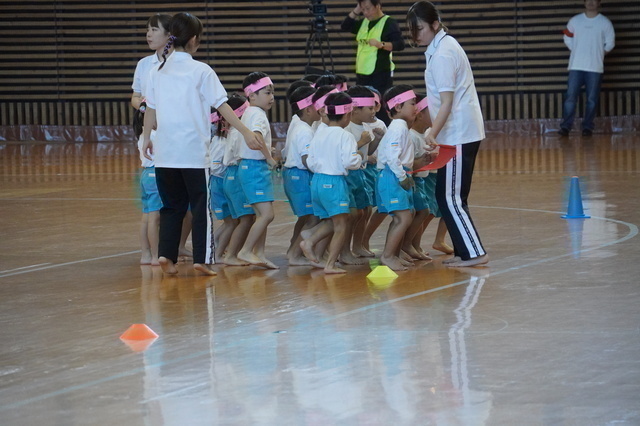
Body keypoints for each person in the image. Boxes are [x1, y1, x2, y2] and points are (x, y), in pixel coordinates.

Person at [142, 12, 263, 276]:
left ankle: (165, 255)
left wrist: (146, 138)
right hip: (193, 153)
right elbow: (222, 105)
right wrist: (245, 131)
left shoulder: (155, 71)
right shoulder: (201, 70)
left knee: (170, 207)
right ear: (194, 39)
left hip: (165, 153)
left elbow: (150, 108)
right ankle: (202, 258)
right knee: (200, 207)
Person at [407, 1, 488, 267]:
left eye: (420, 29)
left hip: (458, 134)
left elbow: (446, 102)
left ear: (435, 24)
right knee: (450, 196)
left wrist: (432, 133)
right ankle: (465, 252)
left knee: (450, 197)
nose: (416, 35)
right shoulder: (440, 47)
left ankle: (474, 253)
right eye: (412, 30)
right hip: (457, 133)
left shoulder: (443, 53)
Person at [131, 13, 193, 265]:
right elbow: (136, 97)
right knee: (154, 209)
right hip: (155, 131)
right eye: (147, 29)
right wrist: (148, 112)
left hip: (178, 134)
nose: (148, 34)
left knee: (182, 203)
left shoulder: (182, 62)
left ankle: (176, 247)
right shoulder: (144, 65)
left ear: (170, 35)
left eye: (154, 30)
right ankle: (153, 252)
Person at [301, 92, 363, 274]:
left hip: (317, 181)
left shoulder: (319, 133)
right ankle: (329, 264)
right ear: (347, 115)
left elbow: (310, 161)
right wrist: (359, 158)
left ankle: (310, 240)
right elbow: (350, 162)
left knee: (334, 219)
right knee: (341, 225)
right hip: (334, 182)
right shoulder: (345, 136)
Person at [236, 72, 279, 269]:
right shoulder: (257, 114)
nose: (272, 97)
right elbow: (256, 136)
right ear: (252, 96)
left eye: (272, 93)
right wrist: (269, 157)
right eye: (267, 93)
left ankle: (259, 253)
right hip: (254, 168)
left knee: (262, 215)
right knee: (267, 215)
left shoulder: (250, 112)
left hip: (252, 167)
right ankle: (246, 251)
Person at [342, 0, 405, 124]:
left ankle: (383, 129)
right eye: (363, 9)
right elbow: (345, 26)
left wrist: (381, 44)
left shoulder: (389, 22)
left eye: (368, 8)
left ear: (377, 6)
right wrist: (357, 9)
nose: (365, 12)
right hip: (362, 72)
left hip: (380, 73)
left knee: (379, 106)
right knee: (360, 104)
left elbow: (400, 44)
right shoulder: (363, 22)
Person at [558, 0, 615, 137]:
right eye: (588, 0)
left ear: (598, 3)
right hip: (576, 66)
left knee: (592, 99)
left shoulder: (605, 22)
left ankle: (587, 127)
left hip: (595, 67)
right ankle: (565, 127)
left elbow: (610, 43)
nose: (590, 2)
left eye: (594, 0)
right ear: (584, 3)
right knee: (570, 97)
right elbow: (567, 37)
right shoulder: (575, 21)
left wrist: (599, 54)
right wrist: (576, 50)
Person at [376, 85, 417, 271]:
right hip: (393, 175)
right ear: (398, 107)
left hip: (398, 173)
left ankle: (395, 253)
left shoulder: (401, 127)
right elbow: (392, 157)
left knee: (405, 216)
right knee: (403, 217)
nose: (416, 107)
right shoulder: (398, 128)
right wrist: (401, 177)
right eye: (412, 103)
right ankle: (388, 255)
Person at [283, 86, 321, 266]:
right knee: (313, 217)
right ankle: (295, 254)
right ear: (308, 109)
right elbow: (307, 160)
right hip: (300, 176)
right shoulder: (304, 130)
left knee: (305, 216)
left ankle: (293, 249)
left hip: (295, 175)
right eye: (317, 105)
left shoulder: (299, 124)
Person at [209, 95, 248, 262]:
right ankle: (218, 254)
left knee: (231, 221)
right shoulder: (221, 142)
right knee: (231, 222)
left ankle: (217, 248)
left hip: (222, 181)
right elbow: (215, 166)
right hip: (219, 182)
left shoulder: (227, 137)